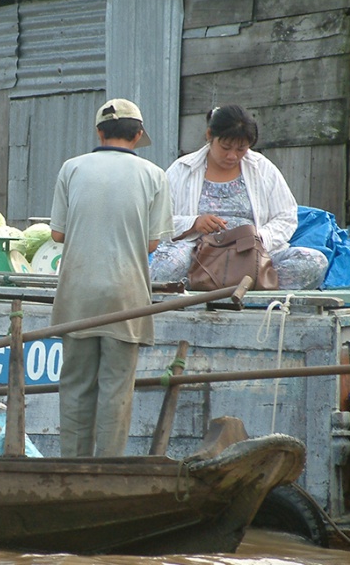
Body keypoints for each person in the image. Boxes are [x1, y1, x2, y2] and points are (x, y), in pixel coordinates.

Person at [49, 98, 174, 458]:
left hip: (77, 292)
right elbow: (152, 242)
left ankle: (72, 468)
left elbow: (57, 235)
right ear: (137, 136)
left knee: (74, 385)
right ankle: (107, 471)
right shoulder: (154, 175)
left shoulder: (71, 168)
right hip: (126, 294)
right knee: (117, 389)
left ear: (100, 133)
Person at [149, 105, 328, 290]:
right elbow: (159, 222)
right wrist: (194, 223)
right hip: (198, 254)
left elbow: (287, 216)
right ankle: (225, 283)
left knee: (315, 262)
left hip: (253, 253)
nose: (232, 156)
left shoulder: (262, 168)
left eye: (241, 149)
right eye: (225, 147)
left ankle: (217, 286)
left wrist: (258, 237)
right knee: (165, 269)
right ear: (210, 135)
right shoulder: (182, 169)